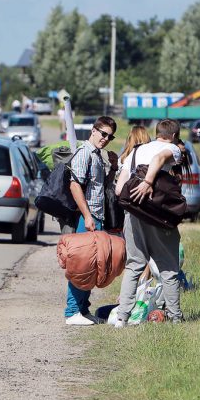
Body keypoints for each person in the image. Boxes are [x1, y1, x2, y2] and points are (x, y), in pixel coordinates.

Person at [113, 119, 186, 326]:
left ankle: (122, 318)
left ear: (157, 133)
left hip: (134, 214)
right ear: (173, 135)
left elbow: (119, 190)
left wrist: (136, 196)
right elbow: (160, 157)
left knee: (134, 265)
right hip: (158, 216)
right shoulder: (172, 147)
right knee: (169, 268)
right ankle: (174, 318)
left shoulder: (135, 151)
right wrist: (147, 182)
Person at [64, 116, 117, 326]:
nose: (105, 139)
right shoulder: (84, 153)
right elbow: (75, 186)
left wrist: (113, 168)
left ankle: (83, 310)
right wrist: (87, 216)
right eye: (103, 133)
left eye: (110, 136)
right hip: (87, 217)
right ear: (93, 131)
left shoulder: (97, 155)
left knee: (92, 266)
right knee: (81, 266)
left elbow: (101, 188)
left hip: (97, 216)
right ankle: (72, 311)